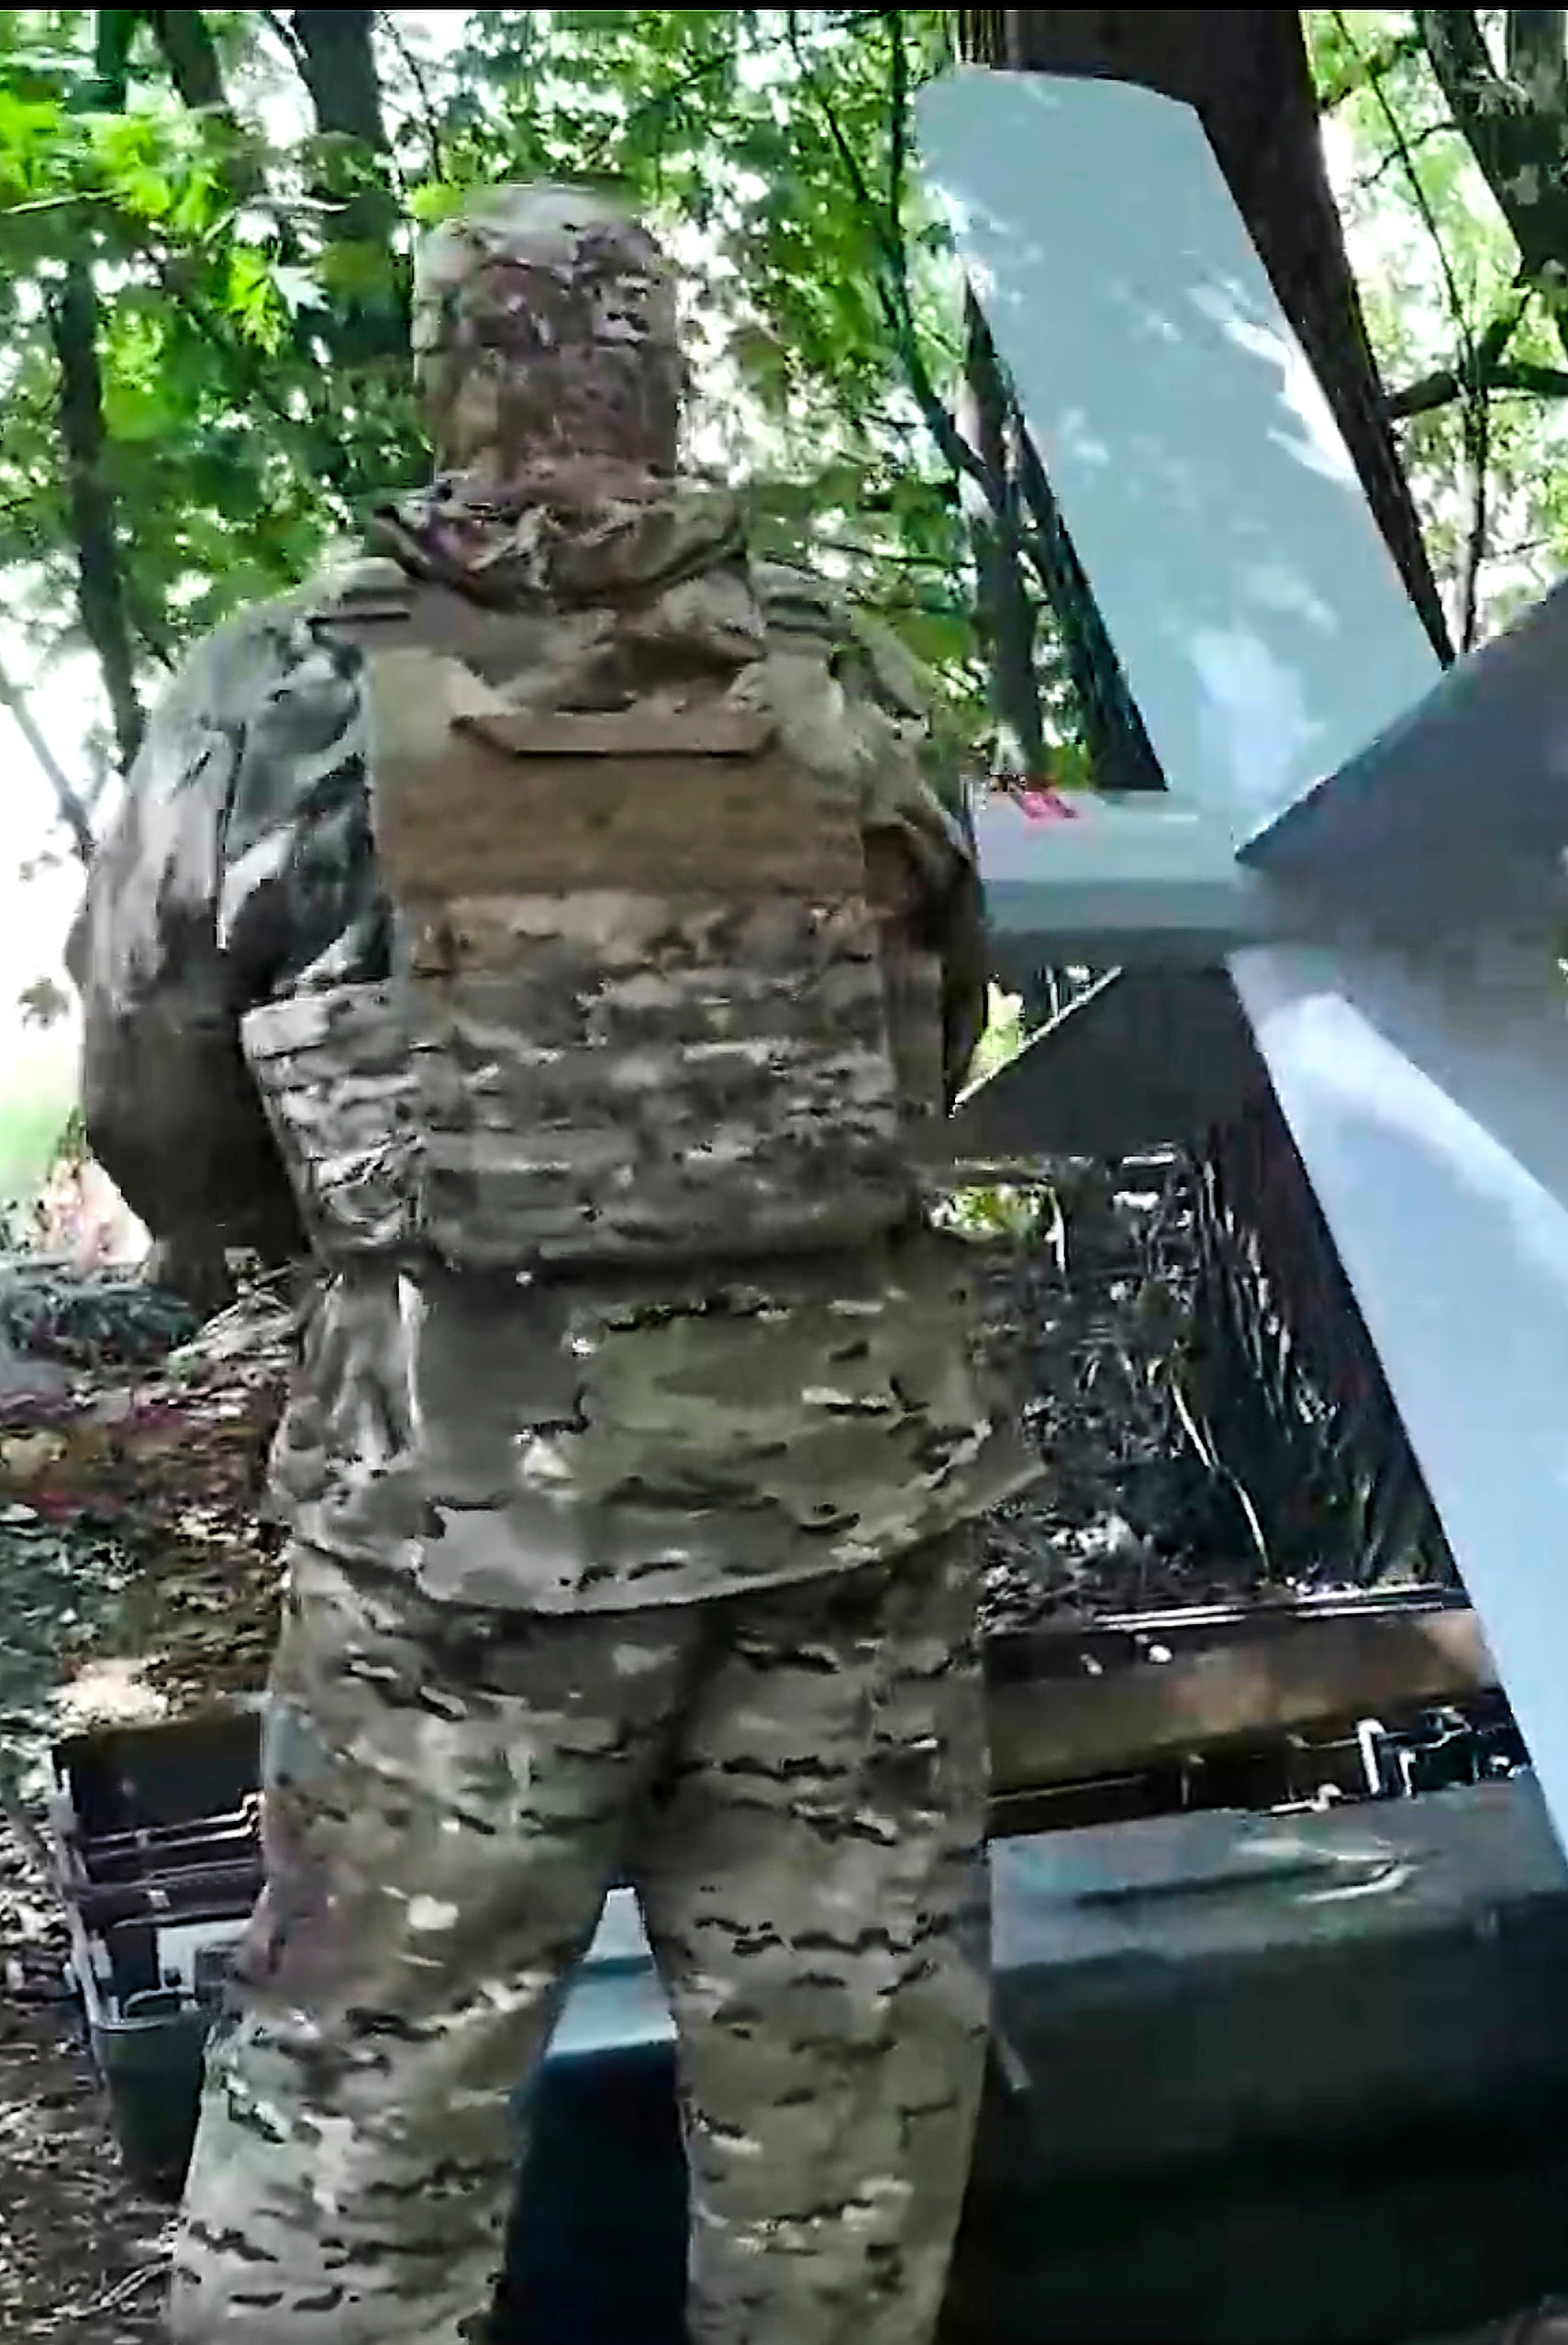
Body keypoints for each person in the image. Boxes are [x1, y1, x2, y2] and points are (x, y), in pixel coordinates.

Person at [70, 183, 1029, 2342]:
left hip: (461, 1541)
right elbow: (935, 1030)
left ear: (449, 374)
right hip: (843, 1520)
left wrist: (315, 1239)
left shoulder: (279, 698)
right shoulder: (849, 680)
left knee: (352, 2131)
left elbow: (153, 1106)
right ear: (660, 374)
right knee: (842, 2151)